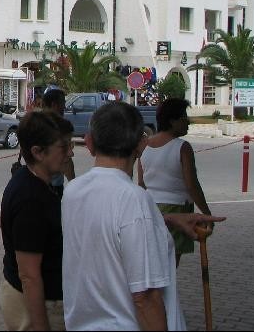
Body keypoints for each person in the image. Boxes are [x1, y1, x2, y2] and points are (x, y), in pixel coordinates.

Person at [62, 102, 224, 331]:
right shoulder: (134, 199)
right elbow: (145, 296)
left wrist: (165, 220)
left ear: (90, 143)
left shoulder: (73, 191)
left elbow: (107, 229)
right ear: (140, 144)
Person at [0, 110, 74, 331]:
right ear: (38, 152)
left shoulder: (31, 180)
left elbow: (2, 222)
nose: (70, 153)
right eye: (64, 147)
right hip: (37, 305)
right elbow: (29, 276)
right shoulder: (31, 199)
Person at [138, 98, 213, 266]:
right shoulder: (182, 147)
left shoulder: (144, 145)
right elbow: (192, 185)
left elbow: (141, 183)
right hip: (178, 208)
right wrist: (206, 212)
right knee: (170, 264)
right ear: (172, 121)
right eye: (184, 117)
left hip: (152, 207)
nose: (188, 122)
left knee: (155, 260)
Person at [42, 89, 76, 198]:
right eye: (63, 103)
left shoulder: (34, 124)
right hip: (53, 187)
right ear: (54, 105)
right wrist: (73, 184)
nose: (64, 107)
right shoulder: (58, 127)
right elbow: (66, 162)